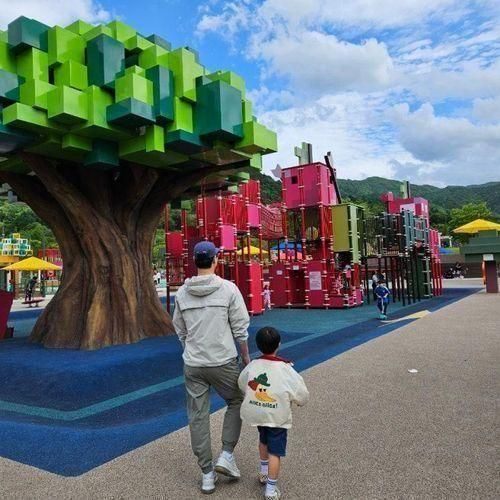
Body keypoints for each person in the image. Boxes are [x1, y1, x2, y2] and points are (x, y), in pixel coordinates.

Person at [173, 241, 251, 494]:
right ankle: (226, 454)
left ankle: (207, 473)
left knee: (197, 416)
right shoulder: (228, 289)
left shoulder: (182, 293)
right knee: (237, 400)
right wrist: (247, 360)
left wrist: (190, 349)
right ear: (216, 259)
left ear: (195, 261)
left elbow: (180, 329)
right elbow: (240, 329)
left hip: (194, 363)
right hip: (223, 361)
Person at [239, 327, 309, 500]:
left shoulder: (253, 365)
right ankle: (270, 489)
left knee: (263, 440)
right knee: (275, 452)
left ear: (258, 345)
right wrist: (299, 401)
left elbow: (241, 383)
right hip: (277, 416)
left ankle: (263, 472)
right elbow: (302, 393)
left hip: (258, 412)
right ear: (279, 344)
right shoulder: (285, 368)